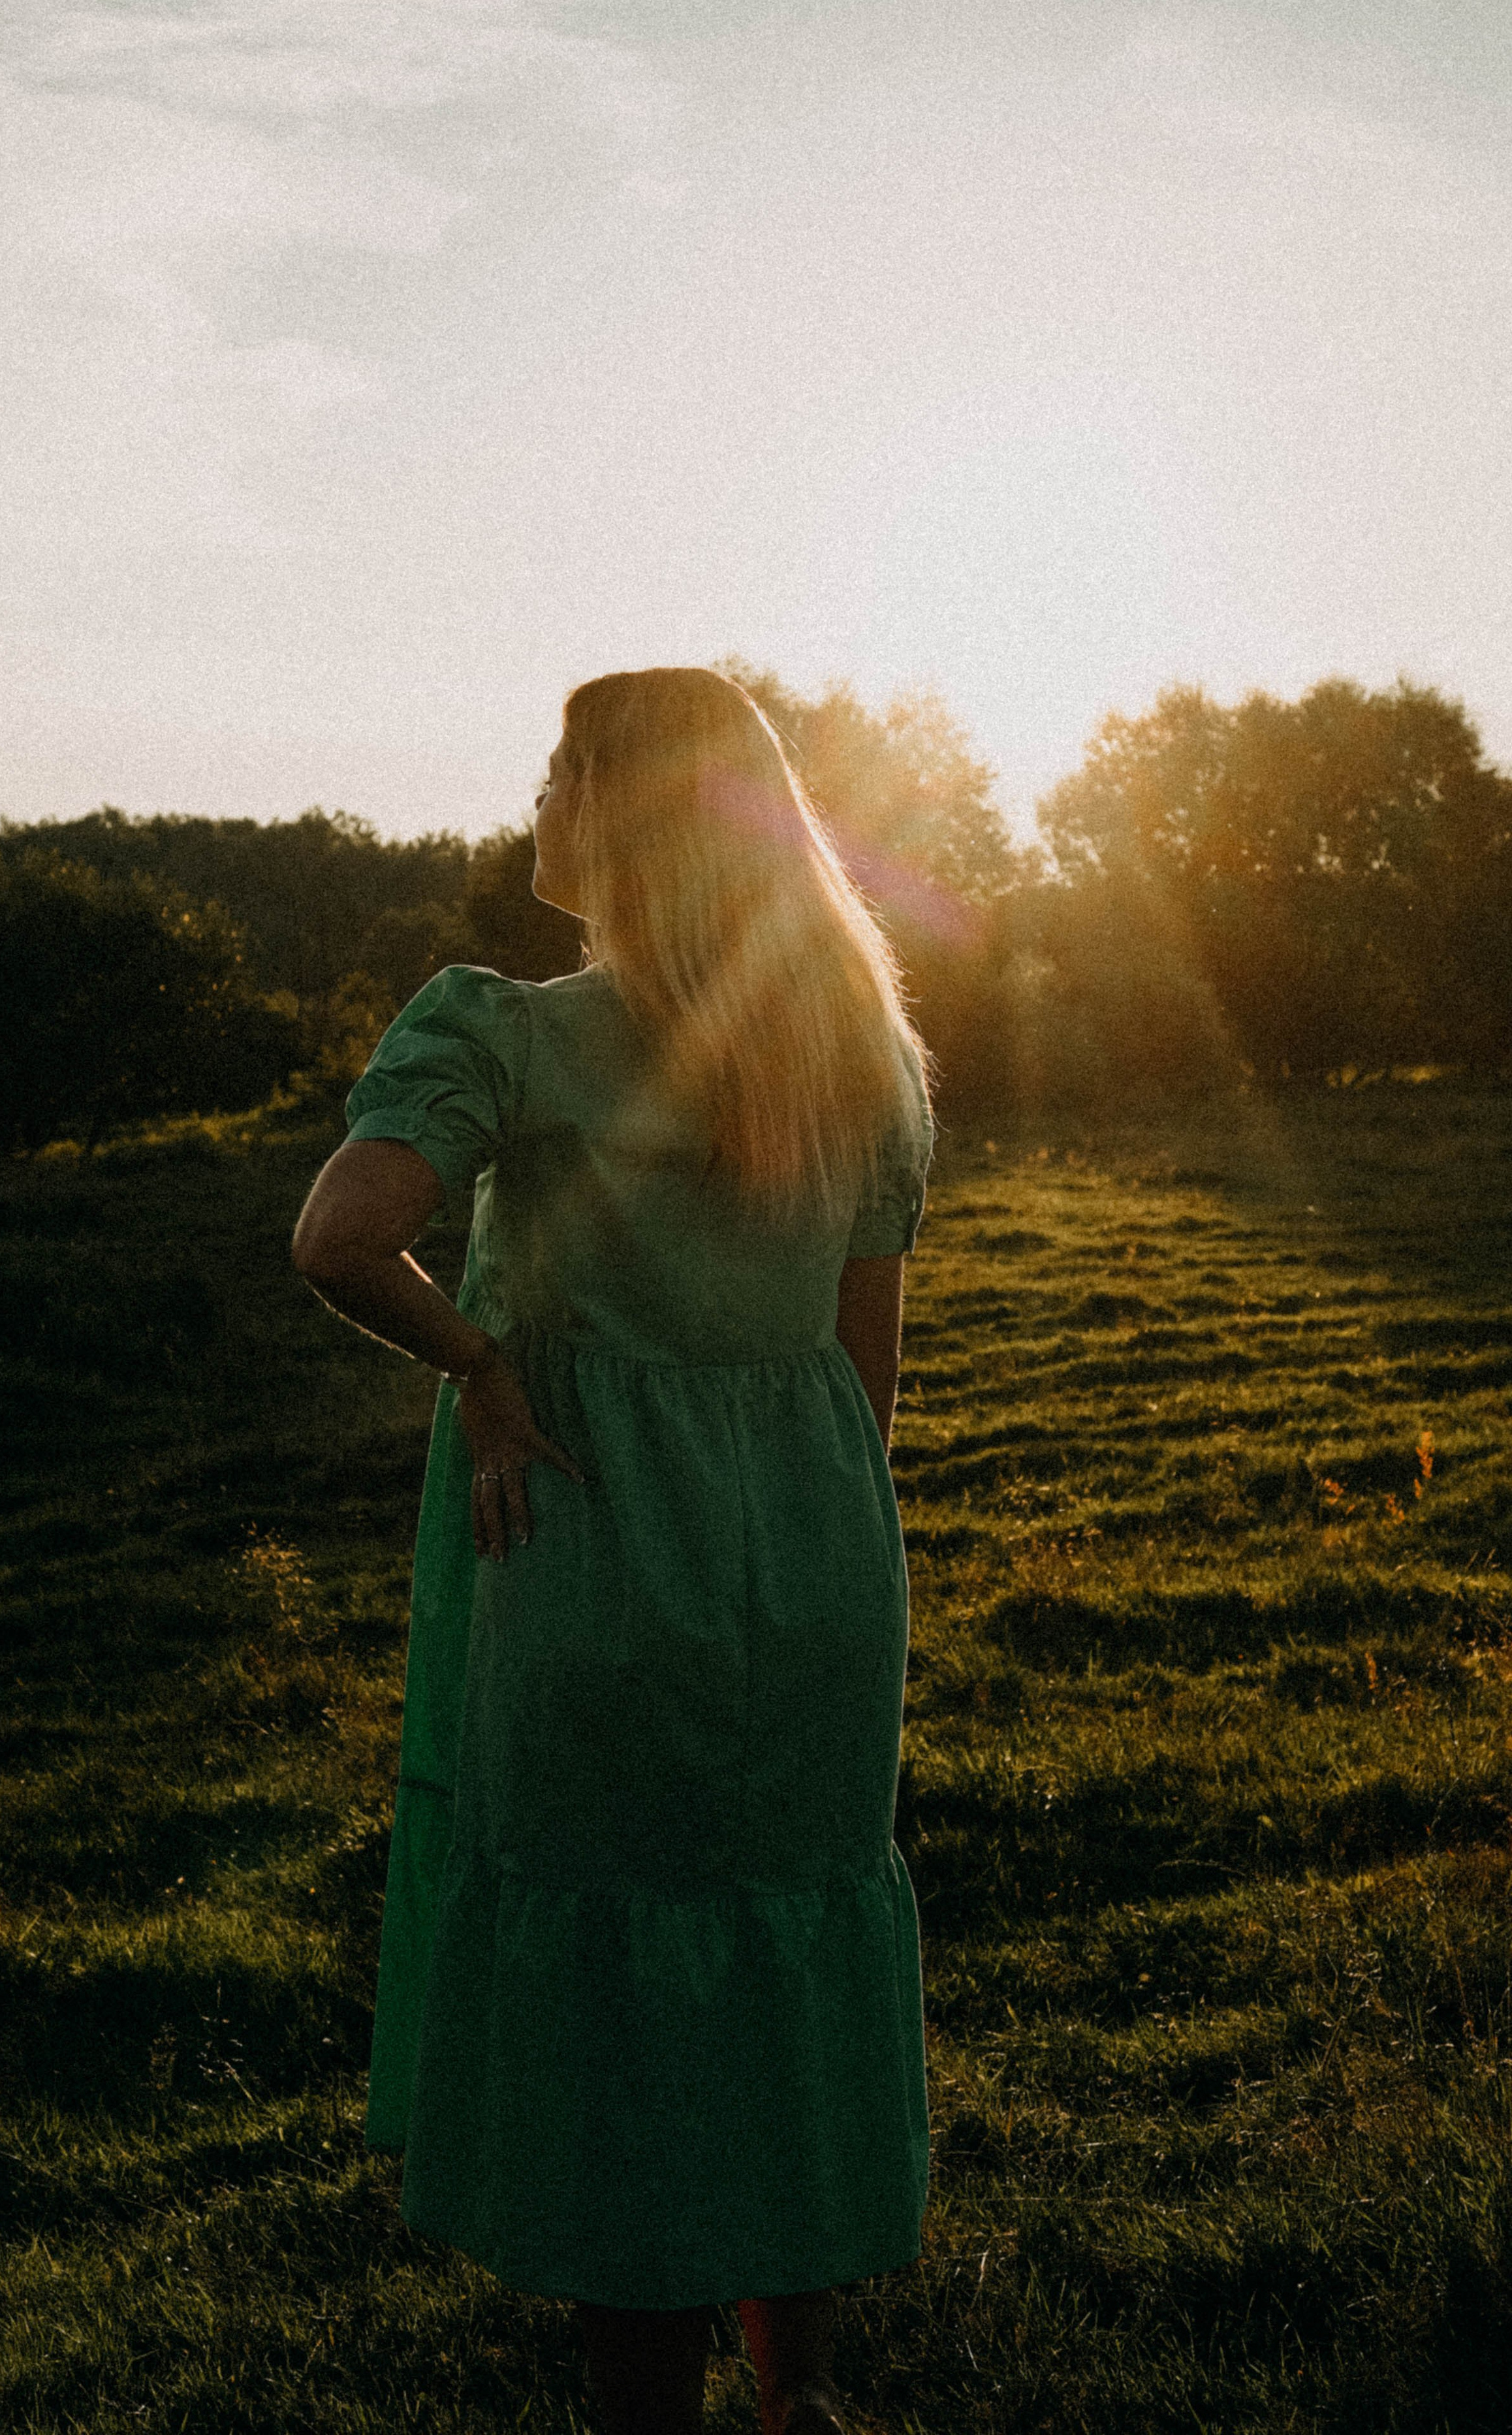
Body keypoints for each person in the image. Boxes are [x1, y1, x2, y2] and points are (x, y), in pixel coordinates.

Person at [291, 667, 935, 2435]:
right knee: (780, 1949)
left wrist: (486, 1369)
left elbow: (341, 1238)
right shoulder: (861, 1051)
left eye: (564, 766)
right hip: (815, 1568)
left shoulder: (505, 1028)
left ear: (620, 813)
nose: (540, 795)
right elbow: (862, 1380)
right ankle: (798, 2393)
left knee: (631, 1980)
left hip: (591, 1544)